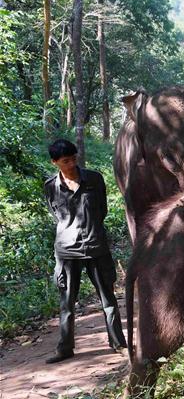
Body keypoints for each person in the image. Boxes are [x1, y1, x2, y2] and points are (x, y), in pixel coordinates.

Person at [43, 139, 127, 363]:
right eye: (65, 161)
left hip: (96, 248)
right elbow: (56, 215)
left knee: (108, 300)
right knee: (67, 304)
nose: (71, 164)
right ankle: (65, 349)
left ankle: (118, 343)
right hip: (67, 252)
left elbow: (102, 210)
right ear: (55, 162)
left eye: (74, 158)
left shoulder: (94, 179)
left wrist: (91, 230)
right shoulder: (50, 186)